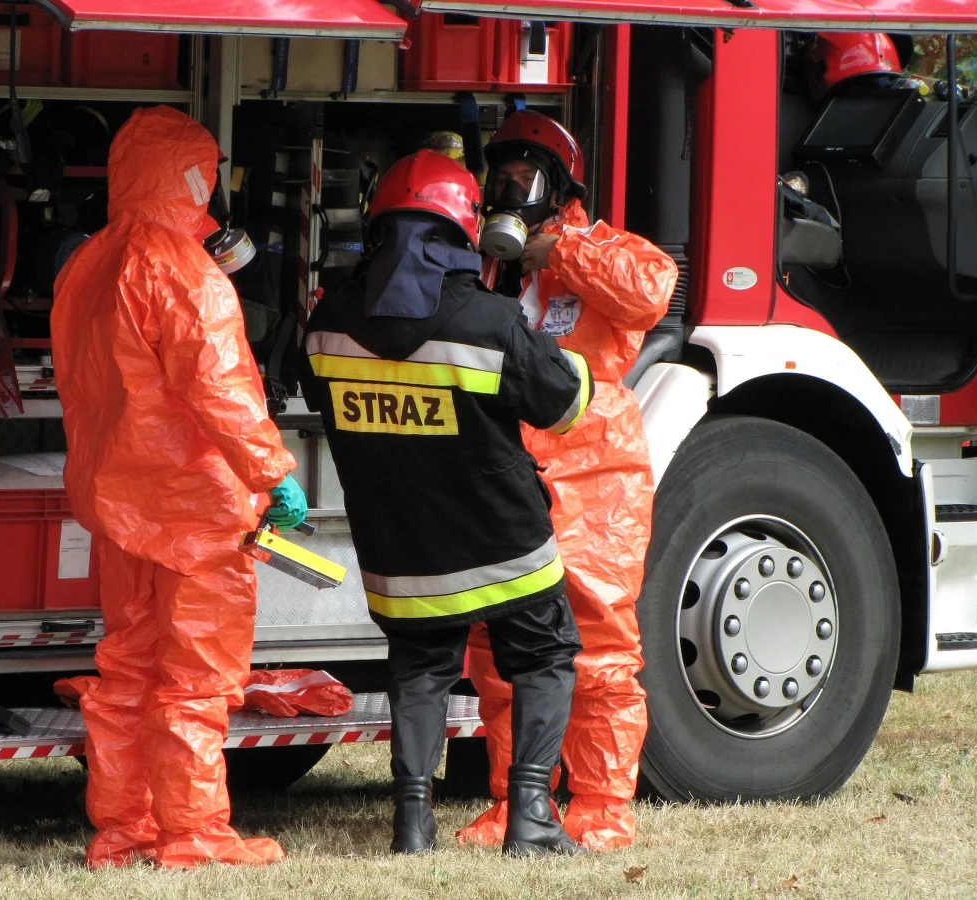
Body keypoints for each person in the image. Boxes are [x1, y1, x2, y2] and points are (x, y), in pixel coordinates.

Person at [298, 149, 592, 856]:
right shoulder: (490, 321)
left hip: (400, 549)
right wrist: (573, 360)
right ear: (466, 228)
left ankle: (413, 824)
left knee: (420, 668)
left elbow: (316, 397)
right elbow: (564, 405)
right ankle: (531, 815)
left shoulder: (328, 321)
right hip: (504, 544)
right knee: (545, 657)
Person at [51, 105, 308, 869]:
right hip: (198, 508)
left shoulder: (87, 266)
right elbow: (219, 388)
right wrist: (272, 472)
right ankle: (194, 833)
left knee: (126, 672)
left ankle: (123, 830)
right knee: (196, 676)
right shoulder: (185, 270)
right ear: (193, 177)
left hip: (120, 505)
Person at [457, 111, 678, 852]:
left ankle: (601, 806)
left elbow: (651, 289)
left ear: (559, 188)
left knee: (601, 645)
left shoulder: (598, 248)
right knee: (499, 647)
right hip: (504, 465)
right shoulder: (483, 261)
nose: (509, 190)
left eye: (525, 177)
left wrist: (566, 251)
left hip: (595, 473)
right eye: (501, 177)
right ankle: (515, 803)